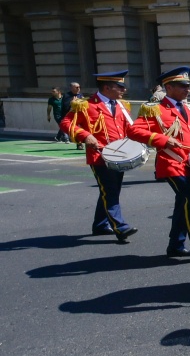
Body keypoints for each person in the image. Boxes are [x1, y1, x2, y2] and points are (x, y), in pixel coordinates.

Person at [127, 67, 190, 260]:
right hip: (172, 164)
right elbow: (133, 131)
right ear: (169, 87)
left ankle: (175, 244)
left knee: (183, 203)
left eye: (188, 86)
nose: (187, 90)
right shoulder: (155, 109)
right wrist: (163, 139)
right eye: (182, 86)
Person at [59, 71, 139, 241]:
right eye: (120, 87)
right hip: (99, 156)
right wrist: (85, 135)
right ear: (107, 87)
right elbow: (66, 122)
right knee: (109, 190)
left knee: (111, 190)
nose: (123, 90)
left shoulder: (122, 106)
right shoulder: (85, 105)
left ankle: (100, 225)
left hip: (119, 157)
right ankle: (120, 227)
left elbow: (129, 129)